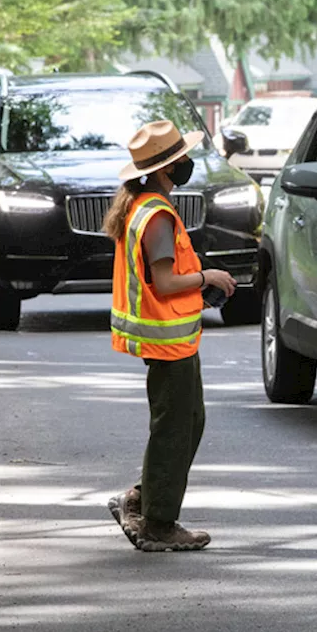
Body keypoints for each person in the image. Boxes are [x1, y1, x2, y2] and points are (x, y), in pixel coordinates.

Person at [104, 120, 236, 552]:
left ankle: (142, 499)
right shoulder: (156, 215)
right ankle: (157, 523)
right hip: (168, 340)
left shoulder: (144, 205)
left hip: (172, 338)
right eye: (181, 158)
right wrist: (206, 276)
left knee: (185, 421)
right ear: (167, 167)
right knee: (176, 425)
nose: (187, 163)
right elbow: (164, 282)